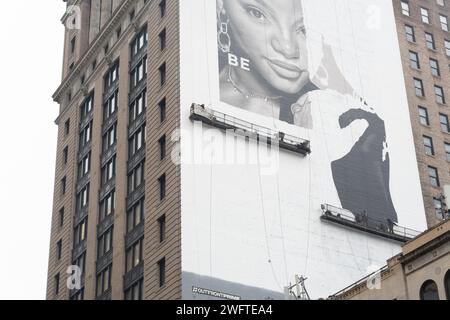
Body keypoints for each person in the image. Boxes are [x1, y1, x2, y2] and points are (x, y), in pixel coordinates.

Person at [216, 0, 398, 223]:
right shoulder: (195, 82)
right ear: (220, 7)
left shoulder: (349, 123)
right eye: (257, 13)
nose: (288, 48)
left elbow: (382, 228)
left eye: (304, 29)